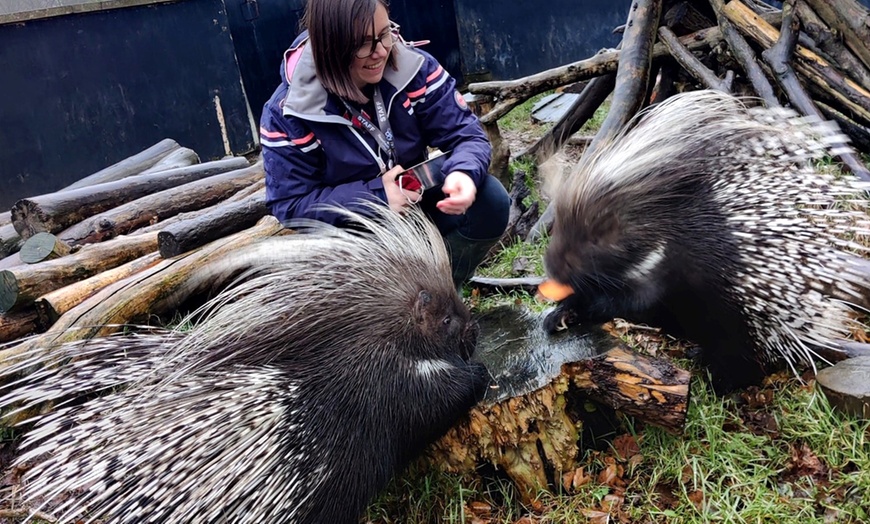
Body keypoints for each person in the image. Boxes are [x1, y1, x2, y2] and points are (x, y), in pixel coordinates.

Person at [259, 0, 510, 287]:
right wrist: (378, 197)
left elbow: (467, 134)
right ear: (331, 45)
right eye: (363, 44)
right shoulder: (287, 113)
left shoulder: (414, 67)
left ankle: (443, 295)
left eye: (385, 33)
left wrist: (463, 171)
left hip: (415, 202)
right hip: (354, 230)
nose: (380, 51)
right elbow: (291, 204)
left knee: (489, 200)